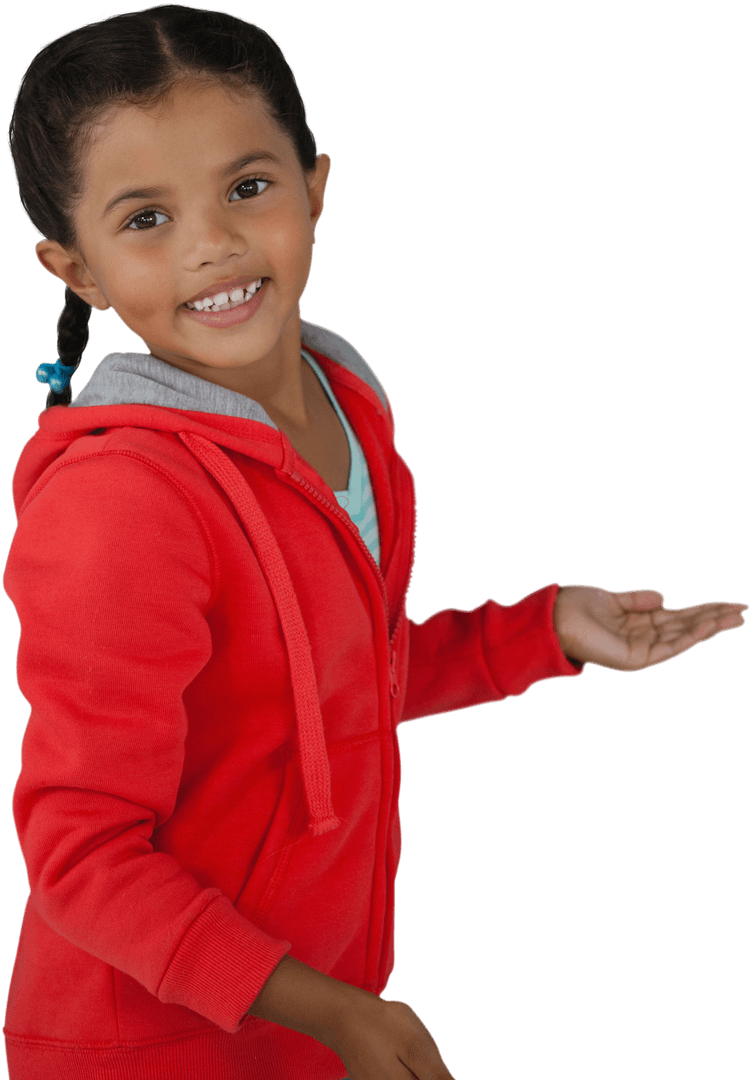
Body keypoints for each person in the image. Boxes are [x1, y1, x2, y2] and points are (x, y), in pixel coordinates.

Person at [3, 5, 746, 1079]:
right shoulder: (121, 503)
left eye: (246, 187)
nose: (212, 241)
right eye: (145, 219)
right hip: (149, 1044)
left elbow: (327, 689)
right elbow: (81, 856)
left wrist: (544, 634)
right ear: (76, 271)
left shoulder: (344, 398)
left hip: (305, 1009)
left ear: (315, 188)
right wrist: (334, 1011)